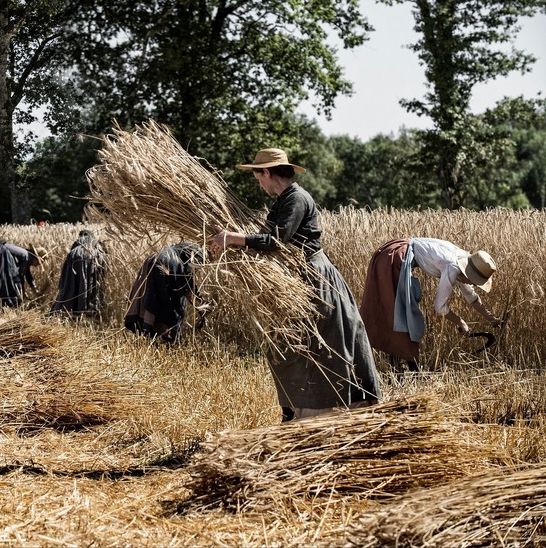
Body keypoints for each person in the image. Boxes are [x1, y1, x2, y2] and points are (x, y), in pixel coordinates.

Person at [211, 148, 381, 422]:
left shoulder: (297, 198)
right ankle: (298, 412)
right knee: (286, 346)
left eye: (258, 178)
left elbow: (275, 240)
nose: (259, 184)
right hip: (298, 280)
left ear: (267, 172)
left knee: (321, 346)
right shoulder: (283, 200)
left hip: (315, 281)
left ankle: (330, 414)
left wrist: (233, 238)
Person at [360, 238, 501, 372]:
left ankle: (401, 366)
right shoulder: (453, 267)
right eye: (475, 281)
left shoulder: (464, 261)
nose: (473, 284)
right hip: (395, 257)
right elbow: (439, 307)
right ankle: (406, 367)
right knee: (402, 314)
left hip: (400, 254)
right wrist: (460, 321)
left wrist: (492, 319)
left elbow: (472, 297)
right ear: (469, 274)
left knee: (400, 313)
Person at [124, 241, 210, 344]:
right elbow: (187, 284)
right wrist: (201, 306)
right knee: (170, 306)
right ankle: (167, 340)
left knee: (152, 299)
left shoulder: (187, 247)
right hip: (168, 263)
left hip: (154, 259)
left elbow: (188, 282)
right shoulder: (199, 254)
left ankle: (154, 338)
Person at [51, 229, 106, 317]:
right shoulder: (96, 241)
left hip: (75, 256)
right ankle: (86, 306)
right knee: (91, 283)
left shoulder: (78, 241)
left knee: (70, 283)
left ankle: (69, 307)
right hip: (93, 256)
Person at [0, 241, 44, 308]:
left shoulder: (26, 255)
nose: (37, 265)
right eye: (38, 263)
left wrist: (34, 290)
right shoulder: (27, 257)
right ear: (35, 258)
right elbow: (19, 277)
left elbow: (28, 275)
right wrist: (21, 293)